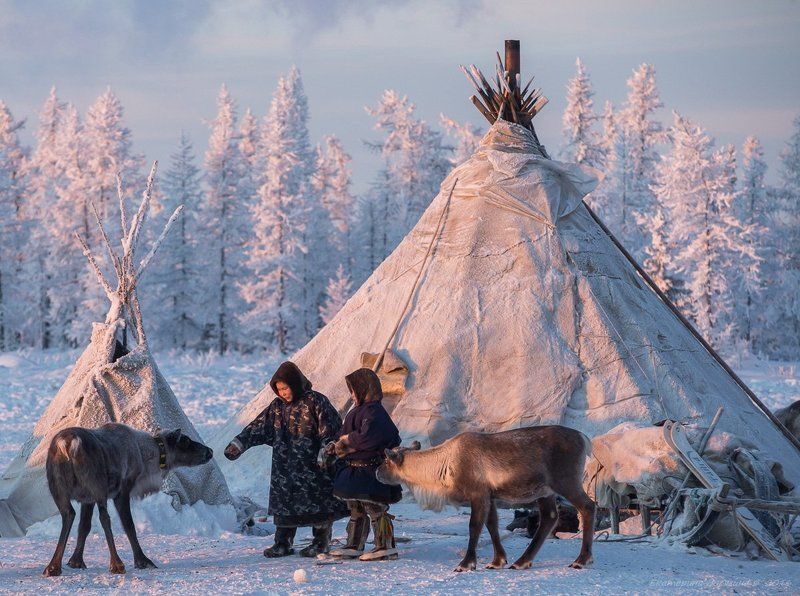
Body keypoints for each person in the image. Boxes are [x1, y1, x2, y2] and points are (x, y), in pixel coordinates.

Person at [224, 361, 347, 557]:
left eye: (285, 388)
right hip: (285, 469)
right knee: (284, 506)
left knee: (319, 506)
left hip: (313, 468)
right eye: (279, 389)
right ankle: (283, 543)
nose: (282, 393)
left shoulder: (316, 401)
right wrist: (239, 444)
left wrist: (327, 451)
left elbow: (331, 429)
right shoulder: (277, 407)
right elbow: (258, 427)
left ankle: (321, 542)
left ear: (295, 384)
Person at [328, 368, 403, 561]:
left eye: (353, 390)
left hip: (371, 471)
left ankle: (385, 545)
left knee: (375, 508)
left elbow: (370, 436)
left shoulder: (375, 412)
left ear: (364, 389)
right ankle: (354, 543)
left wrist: (346, 443)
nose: (351, 395)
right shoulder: (357, 411)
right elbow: (344, 433)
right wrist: (334, 444)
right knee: (356, 508)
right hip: (354, 470)